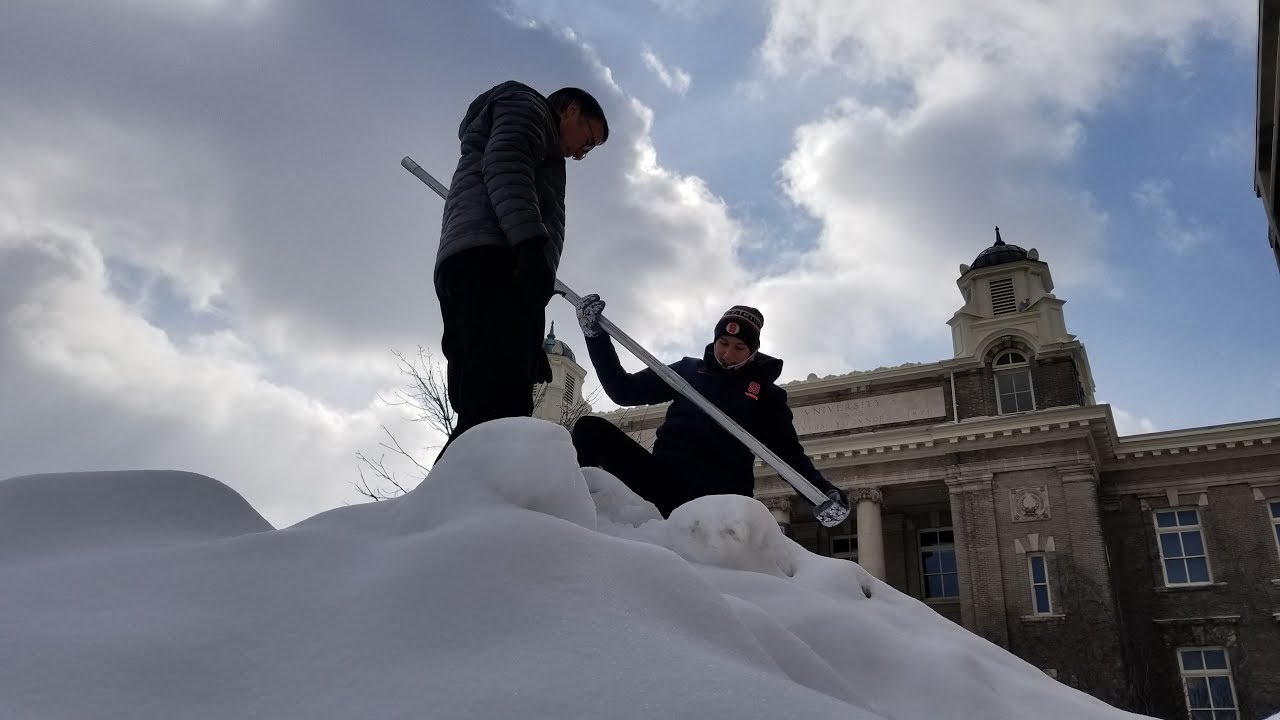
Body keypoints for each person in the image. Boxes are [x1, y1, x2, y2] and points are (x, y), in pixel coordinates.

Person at [434, 81, 608, 454]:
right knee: (495, 411)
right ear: (572, 110)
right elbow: (506, 165)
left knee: (487, 402)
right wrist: (531, 246)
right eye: (588, 140)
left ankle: (452, 501)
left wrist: (529, 335)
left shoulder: (539, 134)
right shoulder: (527, 108)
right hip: (494, 260)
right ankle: (462, 501)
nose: (581, 154)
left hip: (482, 262)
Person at [571, 295, 847, 518]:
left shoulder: (765, 393)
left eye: (739, 347)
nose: (727, 353)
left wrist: (822, 492)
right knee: (589, 429)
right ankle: (574, 510)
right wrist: (595, 337)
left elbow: (788, 454)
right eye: (723, 343)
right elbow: (623, 391)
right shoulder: (687, 371)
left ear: (753, 351)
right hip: (663, 482)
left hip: (720, 499)